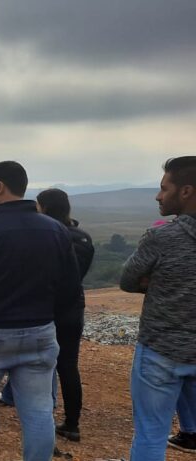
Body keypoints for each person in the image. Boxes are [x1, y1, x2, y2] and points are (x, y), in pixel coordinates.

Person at [0, 161, 81, 461]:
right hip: (39, 332)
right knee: (39, 412)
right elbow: (70, 289)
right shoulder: (56, 231)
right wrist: (46, 317)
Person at [0, 188, 95, 442]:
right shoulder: (82, 237)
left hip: (44, 309)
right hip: (73, 308)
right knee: (68, 366)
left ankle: (43, 420)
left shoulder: (45, 236)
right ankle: (72, 423)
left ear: (44, 207)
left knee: (42, 367)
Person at [120, 156, 196, 459]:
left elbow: (127, 279)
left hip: (160, 351)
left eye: (164, 188)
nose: (158, 195)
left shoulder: (162, 237)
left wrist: (155, 282)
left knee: (151, 433)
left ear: (186, 191)